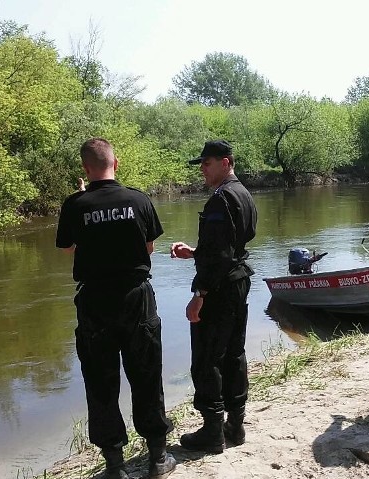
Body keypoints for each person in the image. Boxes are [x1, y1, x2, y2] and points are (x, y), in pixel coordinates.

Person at [55, 138, 176, 479]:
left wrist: (82, 199)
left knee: (101, 381)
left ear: (86, 169)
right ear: (116, 163)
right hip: (136, 297)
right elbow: (149, 247)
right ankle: (157, 458)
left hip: (95, 302)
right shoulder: (137, 199)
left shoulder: (75, 204)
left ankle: (115, 466)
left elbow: (67, 249)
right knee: (147, 375)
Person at [170, 140, 257, 454]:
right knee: (234, 353)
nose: (203, 169)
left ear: (226, 162)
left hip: (219, 288)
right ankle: (235, 424)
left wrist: (200, 294)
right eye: (202, 164)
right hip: (237, 282)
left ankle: (212, 431)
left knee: (208, 358)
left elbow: (221, 255)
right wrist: (194, 252)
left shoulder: (221, 199)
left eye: (207, 163)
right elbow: (229, 248)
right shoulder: (244, 194)